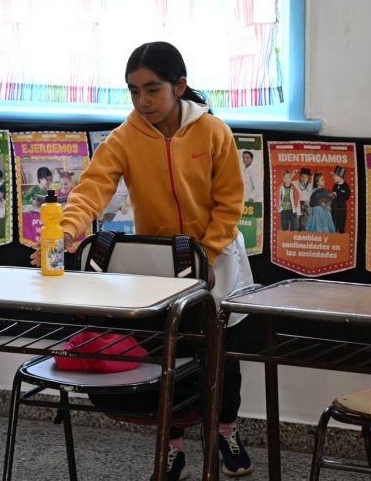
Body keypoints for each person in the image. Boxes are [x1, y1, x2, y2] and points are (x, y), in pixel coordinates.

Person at [31, 41, 254, 480]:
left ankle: (225, 430)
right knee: (163, 358)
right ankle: (173, 447)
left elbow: (230, 204)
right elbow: (91, 191)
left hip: (215, 261)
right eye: (134, 91)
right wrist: (67, 231)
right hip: (158, 269)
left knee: (220, 359)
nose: (143, 101)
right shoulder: (125, 137)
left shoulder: (214, 132)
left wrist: (204, 257)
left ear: (179, 86)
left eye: (153, 90)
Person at [330, 166, 350, 233]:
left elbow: (347, 197)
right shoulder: (335, 185)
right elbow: (332, 197)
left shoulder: (346, 186)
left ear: (339, 176)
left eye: (334, 176)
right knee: (333, 227)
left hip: (341, 210)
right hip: (333, 210)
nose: (333, 177)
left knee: (341, 227)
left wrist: (337, 193)